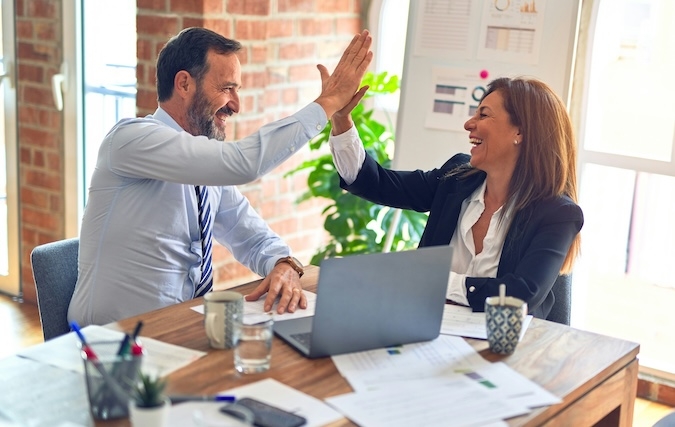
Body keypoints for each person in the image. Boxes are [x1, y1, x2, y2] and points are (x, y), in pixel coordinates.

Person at [68, 27, 372, 326]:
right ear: (184, 84)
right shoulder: (131, 139)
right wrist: (328, 102)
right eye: (227, 88)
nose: (236, 105)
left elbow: (250, 234)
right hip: (111, 344)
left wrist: (283, 263)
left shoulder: (204, 167)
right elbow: (243, 163)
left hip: (180, 331)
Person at [328, 76, 583, 319]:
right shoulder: (456, 178)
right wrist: (341, 119)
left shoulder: (558, 214)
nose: (469, 124)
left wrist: (434, 280)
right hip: (427, 331)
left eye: (483, 114)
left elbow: (520, 296)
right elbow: (377, 183)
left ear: (520, 132)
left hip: (506, 351)